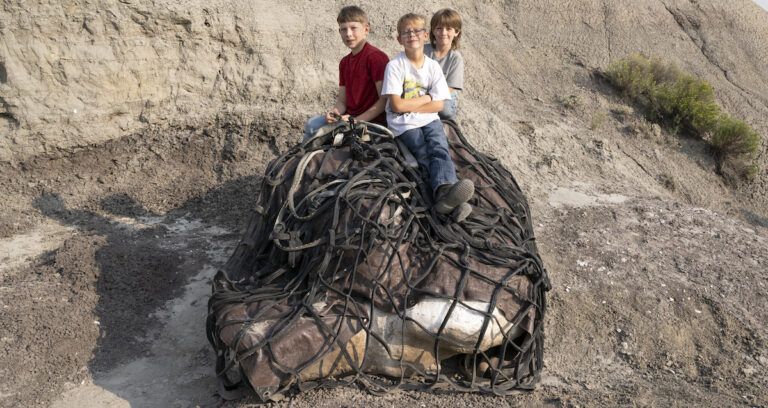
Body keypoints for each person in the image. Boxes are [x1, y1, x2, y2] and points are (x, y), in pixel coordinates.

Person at [382, 13, 473, 222]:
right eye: (406, 32)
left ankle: (445, 193)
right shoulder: (395, 66)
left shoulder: (432, 66)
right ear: (399, 39)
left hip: (429, 118)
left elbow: (440, 104)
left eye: (416, 31)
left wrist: (417, 104)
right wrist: (427, 98)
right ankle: (444, 200)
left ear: (425, 36)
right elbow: (396, 105)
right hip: (402, 123)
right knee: (422, 151)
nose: (411, 35)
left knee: (439, 148)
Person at [303, 6, 390, 140]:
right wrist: (334, 113)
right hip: (348, 118)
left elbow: (384, 101)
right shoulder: (344, 62)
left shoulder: (376, 57)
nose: (348, 34)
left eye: (353, 28)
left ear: (366, 30)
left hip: (370, 121)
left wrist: (356, 121)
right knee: (312, 124)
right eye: (344, 29)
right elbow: (342, 102)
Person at [424, 8, 464, 120]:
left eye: (449, 29)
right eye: (439, 28)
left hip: (443, 95)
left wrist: (428, 97)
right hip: (421, 91)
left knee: (445, 109)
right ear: (432, 30)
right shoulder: (423, 51)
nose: (443, 33)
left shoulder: (456, 58)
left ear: (456, 32)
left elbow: (450, 88)